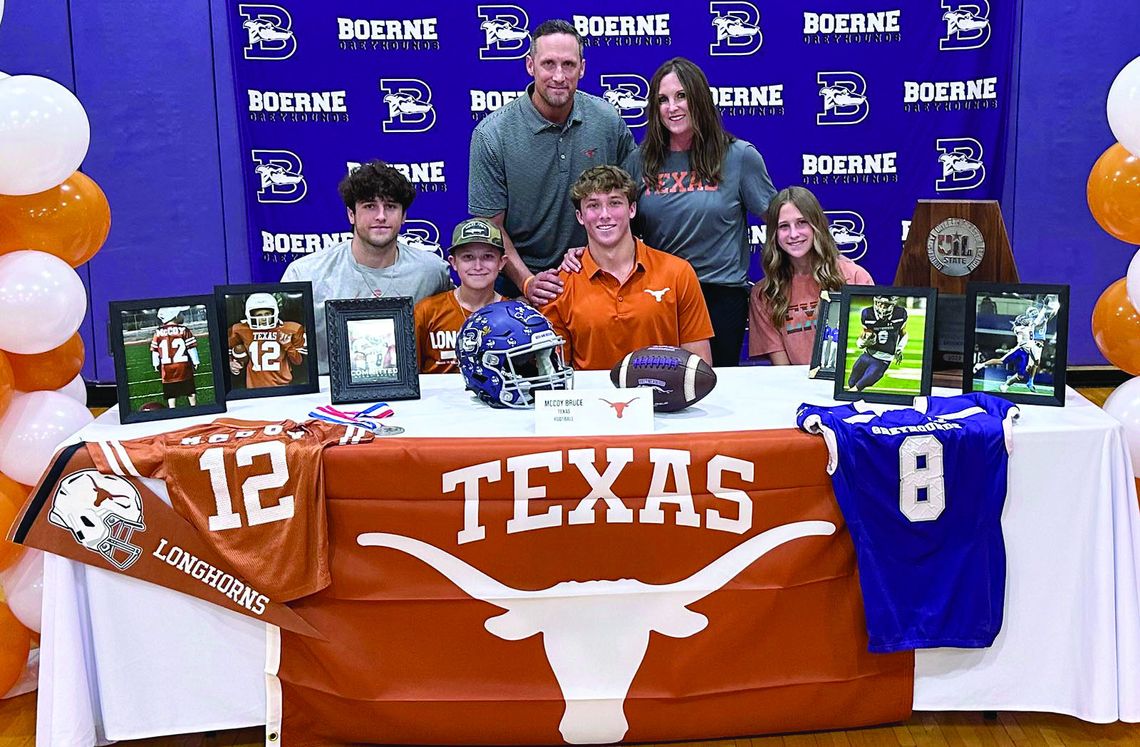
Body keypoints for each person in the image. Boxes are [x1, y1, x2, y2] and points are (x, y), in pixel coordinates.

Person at [468, 19, 635, 306]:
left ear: (582, 68)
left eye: (568, 65)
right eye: (549, 64)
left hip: (600, 276)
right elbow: (489, 226)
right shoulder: (491, 134)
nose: (559, 76)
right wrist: (528, 281)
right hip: (522, 284)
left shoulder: (607, 121)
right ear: (530, 66)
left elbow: (630, 202)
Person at [625, 57, 776, 367]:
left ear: (700, 98)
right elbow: (621, 231)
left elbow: (780, 220)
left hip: (719, 296)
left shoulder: (739, 157)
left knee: (713, 392)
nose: (672, 107)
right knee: (659, 388)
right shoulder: (639, 161)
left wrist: (816, 264)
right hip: (659, 296)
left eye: (681, 96)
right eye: (663, 100)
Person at [282, 160, 452, 374]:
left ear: (404, 216)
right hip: (328, 398)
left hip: (410, 395)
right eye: (370, 206)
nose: (381, 216)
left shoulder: (432, 272)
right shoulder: (305, 274)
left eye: (391, 206)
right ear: (351, 214)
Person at [538, 165, 713, 371]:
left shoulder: (678, 273)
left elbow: (700, 367)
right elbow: (557, 376)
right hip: (594, 402)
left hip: (665, 400)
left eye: (614, 203)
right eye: (593, 205)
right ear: (580, 216)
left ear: (632, 209)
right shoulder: (558, 285)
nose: (604, 214)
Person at [749, 186, 874, 365]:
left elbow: (867, 347)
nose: (793, 234)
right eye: (784, 226)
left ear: (817, 225)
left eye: (802, 223)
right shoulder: (764, 293)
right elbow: (782, 371)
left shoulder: (855, 277)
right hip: (796, 390)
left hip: (847, 388)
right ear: (774, 234)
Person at [415, 218, 506, 373]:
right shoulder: (426, 312)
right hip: (437, 397)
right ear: (453, 262)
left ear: (501, 262)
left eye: (488, 256)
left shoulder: (515, 315)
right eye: (468, 257)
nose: (478, 266)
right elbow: (409, 374)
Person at [227, 293, 307, 388]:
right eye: (259, 315)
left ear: (275, 312)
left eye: (267, 314)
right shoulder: (240, 330)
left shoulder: (291, 329)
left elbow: (298, 362)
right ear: (249, 315)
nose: (264, 318)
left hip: (283, 386)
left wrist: (288, 345)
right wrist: (231, 362)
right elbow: (225, 351)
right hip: (254, 387)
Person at [848, 295, 908, 391]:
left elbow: (903, 333)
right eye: (880, 303)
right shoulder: (867, 313)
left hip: (884, 358)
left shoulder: (900, 314)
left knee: (859, 386)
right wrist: (862, 342)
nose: (882, 307)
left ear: (893, 305)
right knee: (851, 382)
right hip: (868, 354)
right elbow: (864, 333)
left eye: (886, 305)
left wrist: (900, 348)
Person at [150, 306, 198, 408]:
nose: (182, 315)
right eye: (180, 313)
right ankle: (194, 407)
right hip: (183, 367)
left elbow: (155, 351)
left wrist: (155, 364)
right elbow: (191, 348)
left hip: (167, 369)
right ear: (175, 315)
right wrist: (196, 361)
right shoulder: (184, 330)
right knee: (190, 390)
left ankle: (172, 409)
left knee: (170, 393)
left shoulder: (158, 332)